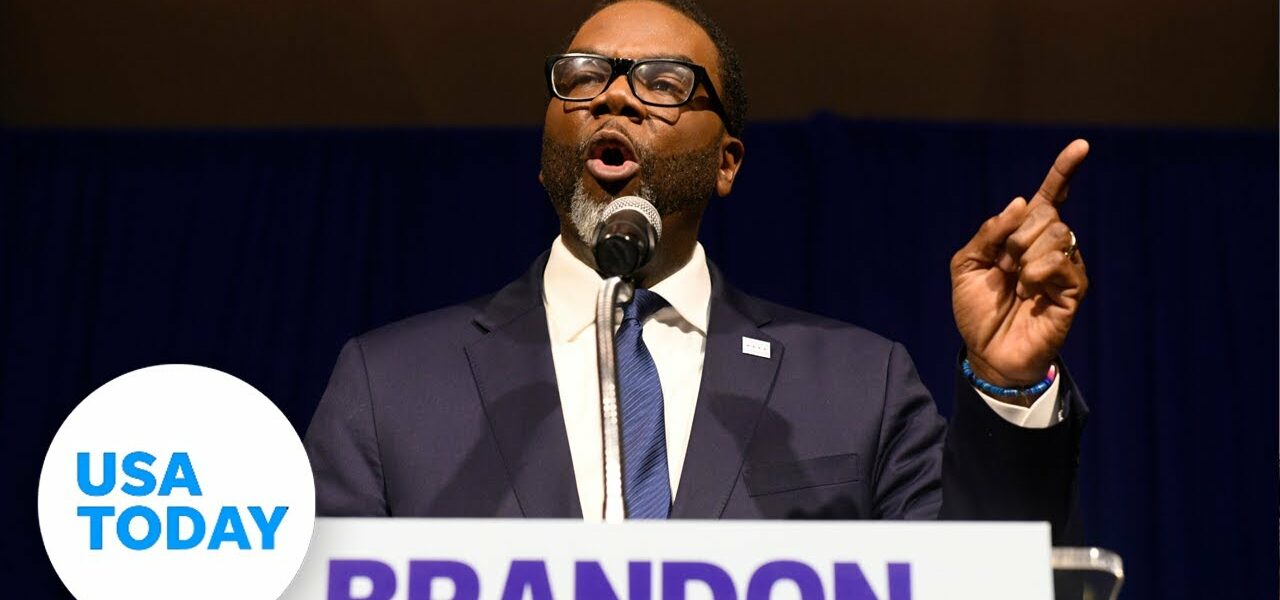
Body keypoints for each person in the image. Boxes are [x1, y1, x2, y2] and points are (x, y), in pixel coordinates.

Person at [304, 0, 1090, 543]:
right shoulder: (389, 386)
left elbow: (982, 581)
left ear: (726, 163)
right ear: (546, 157)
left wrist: (1008, 385)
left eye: (663, 83)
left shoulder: (859, 385)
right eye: (583, 76)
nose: (614, 96)